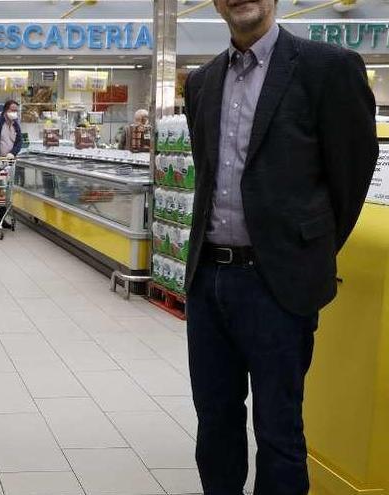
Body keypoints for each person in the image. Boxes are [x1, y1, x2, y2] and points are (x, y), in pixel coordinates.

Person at [183, 1, 377, 494]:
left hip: (277, 287)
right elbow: (207, 174)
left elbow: (352, 171)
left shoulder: (326, 68)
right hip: (209, 281)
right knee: (215, 424)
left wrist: (308, 254)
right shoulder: (202, 82)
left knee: (279, 430)